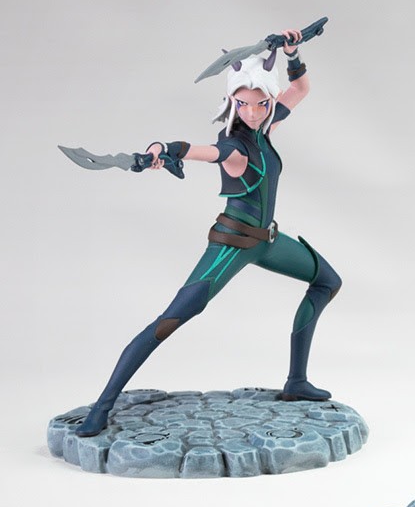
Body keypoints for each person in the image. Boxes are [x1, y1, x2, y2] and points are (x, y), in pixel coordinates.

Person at [75, 29, 341, 437]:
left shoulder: (265, 128)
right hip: (231, 247)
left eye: (260, 103)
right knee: (170, 320)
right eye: (243, 104)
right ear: (232, 103)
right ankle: (102, 407)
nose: (252, 112)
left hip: (267, 243)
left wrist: (292, 52)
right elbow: (203, 151)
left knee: (326, 281)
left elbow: (301, 88)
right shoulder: (236, 147)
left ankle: (296, 382)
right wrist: (163, 150)